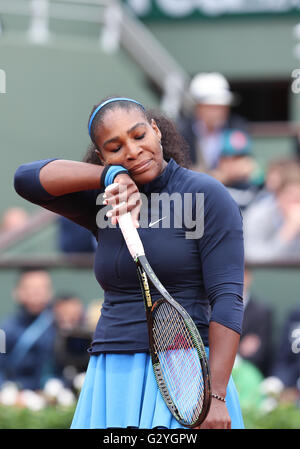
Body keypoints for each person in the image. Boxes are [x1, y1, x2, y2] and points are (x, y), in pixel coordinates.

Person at [14, 96, 245, 429]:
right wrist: (109, 177)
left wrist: (217, 395)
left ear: (156, 130)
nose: (133, 150)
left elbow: (228, 299)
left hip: (186, 373)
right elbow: (26, 180)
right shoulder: (104, 202)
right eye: (115, 147)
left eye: (139, 136)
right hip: (112, 373)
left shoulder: (208, 196)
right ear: (102, 156)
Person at [177, 72, 248, 172]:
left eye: (223, 106)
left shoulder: (236, 126)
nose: (220, 111)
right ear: (198, 107)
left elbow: (247, 164)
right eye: (213, 107)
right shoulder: (182, 130)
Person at [0, 268, 55, 390]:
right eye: (31, 288)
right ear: (17, 292)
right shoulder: (5, 330)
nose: (37, 293)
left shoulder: (58, 326)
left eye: (42, 288)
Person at [243, 160, 300, 261]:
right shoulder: (258, 215)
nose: (296, 205)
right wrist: (288, 231)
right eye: (293, 198)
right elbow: (253, 259)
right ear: (278, 196)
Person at [209, 129, 264, 212]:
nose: (238, 164)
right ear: (221, 160)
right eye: (232, 158)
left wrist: (258, 175)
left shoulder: (253, 184)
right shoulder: (212, 184)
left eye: (241, 157)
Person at [239, 268, 273, 377]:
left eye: (242, 275)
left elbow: (261, 352)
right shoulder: (211, 308)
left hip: (251, 375)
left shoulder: (262, 311)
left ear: (249, 277)